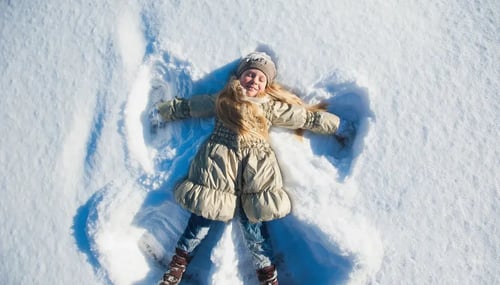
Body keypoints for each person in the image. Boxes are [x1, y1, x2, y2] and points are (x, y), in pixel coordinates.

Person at [149, 52, 354, 285]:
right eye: (250, 74)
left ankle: (268, 277)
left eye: (260, 79)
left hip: (255, 171)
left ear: (266, 86)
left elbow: (304, 118)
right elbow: (191, 106)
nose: (254, 81)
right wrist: (166, 110)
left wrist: (337, 125)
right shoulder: (223, 100)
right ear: (240, 77)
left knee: (254, 228)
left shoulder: (269, 107)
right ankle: (176, 268)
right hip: (218, 166)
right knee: (201, 221)